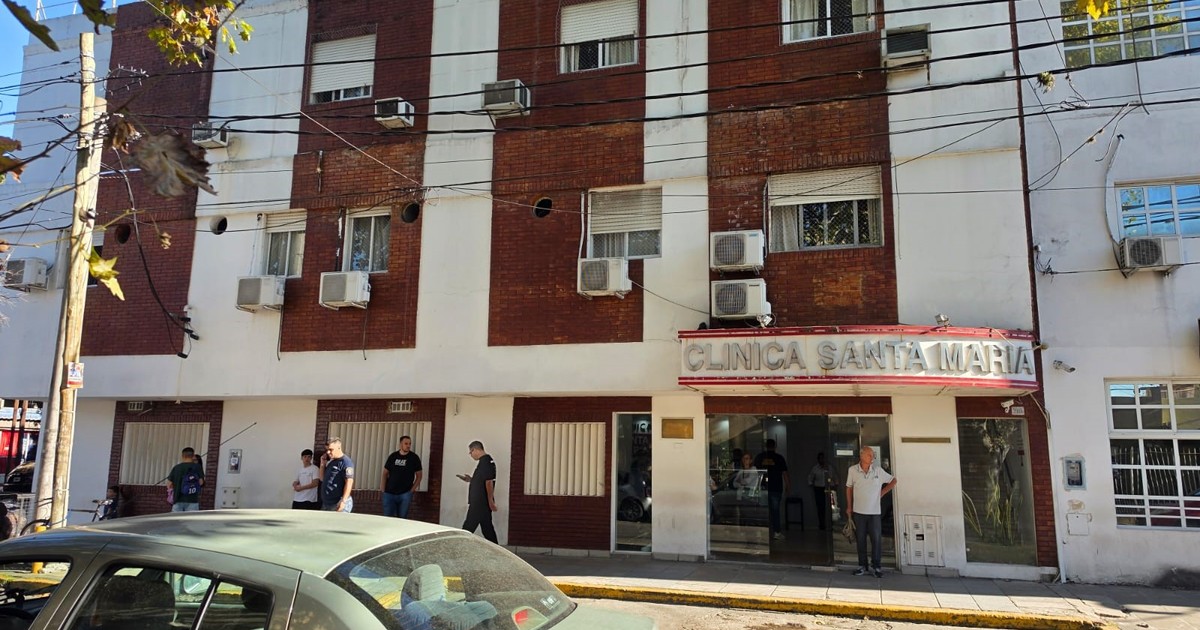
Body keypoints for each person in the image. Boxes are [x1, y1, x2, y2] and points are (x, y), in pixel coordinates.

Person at [845, 446, 897, 578]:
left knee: (876, 540)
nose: (872, 457)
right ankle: (862, 566)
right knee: (860, 540)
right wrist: (849, 507)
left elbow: (893, 480)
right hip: (858, 512)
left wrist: (882, 493)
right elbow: (849, 488)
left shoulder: (878, 471)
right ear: (862, 456)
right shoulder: (853, 470)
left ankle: (876, 566)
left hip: (874, 512)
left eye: (873, 455)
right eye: (869, 455)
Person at [456, 440, 498, 543]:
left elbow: (489, 482)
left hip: (479, 502)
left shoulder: (485, 462)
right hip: (482, 502)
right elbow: (482, 480)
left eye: (471, 452)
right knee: (487, 529)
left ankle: (460, 547)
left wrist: (491, 501)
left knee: (468, 527)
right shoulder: (485, 462)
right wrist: (470, 479)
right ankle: (496, 548)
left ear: (475, 449)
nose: (471, 455)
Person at [753, 439, 790, 540]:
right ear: (775, 446)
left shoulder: (760, 457)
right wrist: (788, 486)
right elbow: (785, 474)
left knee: (762, 511)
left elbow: (754, 473)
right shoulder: (779, 458)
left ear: (766, 446)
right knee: (775, 511)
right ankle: (776, 532)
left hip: (762, 488)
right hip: (776, 488)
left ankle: (761, 532)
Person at [382, 436, 423, 518]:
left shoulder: (414, 458)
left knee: (402, 518)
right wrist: (383, 489)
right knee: (387, 518)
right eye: (406, 444)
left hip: (405, 494)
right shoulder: (393, 456)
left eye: (409, 444)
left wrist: (411, 490)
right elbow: (385, 473)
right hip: (389, 493)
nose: (408, 446)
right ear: (401, 444)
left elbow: (419, 476)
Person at [319, 437, 355, 513]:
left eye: (331, 449)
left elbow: (349, 482)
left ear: (339, 447)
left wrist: (343, 501)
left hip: (338, 503)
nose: (328, 452)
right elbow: (322, 478)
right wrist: (322, 464)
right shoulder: (332, 462)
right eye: (327, 450)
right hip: (327, 503)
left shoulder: (346, 462)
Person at [167, 447, 204, 512]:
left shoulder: (176, 467)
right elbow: (201, 482)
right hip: (193, 500)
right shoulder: (197, 467)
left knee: (176, 518)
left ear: (183, 456)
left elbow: (169, 484)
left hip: (178, 499)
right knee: (191, 518)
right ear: (193, 456)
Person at [808, 452, 839, 530]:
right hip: (819, 488)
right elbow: (810, 477)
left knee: (831, 506)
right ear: (818, 459)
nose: (822, 460)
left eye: (823, 458)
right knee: (820, 507)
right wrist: (811, 484)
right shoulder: (815, 468)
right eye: (820, 458)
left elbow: (835, 476)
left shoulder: (830, 467)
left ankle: (831, 524)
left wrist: (835, 485)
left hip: (829, 488)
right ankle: (822, 524)